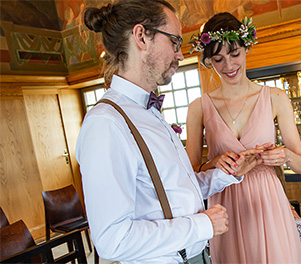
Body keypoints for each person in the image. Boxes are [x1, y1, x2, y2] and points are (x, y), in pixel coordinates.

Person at [76, 1, 262, 264]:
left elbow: (177, 190)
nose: (180, 54)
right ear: (142, 37)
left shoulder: (149, 112)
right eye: (174, 41)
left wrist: (227, 175)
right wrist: (200, 226)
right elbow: (112, 241)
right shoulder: (106, 124)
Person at [186, 12, 301, 263]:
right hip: (225, 206)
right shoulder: (198, 107)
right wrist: (214, 162)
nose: (228, 66)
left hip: (268, 202)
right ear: (208, 61)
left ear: (246, 47)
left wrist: (283, 155)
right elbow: (188, 173)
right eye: (218, 59)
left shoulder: (275, 98)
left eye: (234, 54)